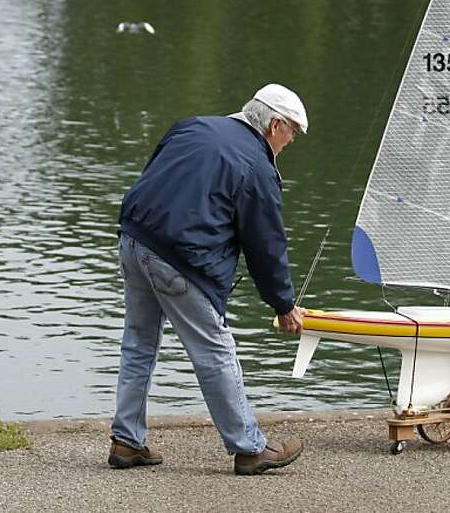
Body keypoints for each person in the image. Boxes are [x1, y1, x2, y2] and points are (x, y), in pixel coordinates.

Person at [109, 83, 309, 476]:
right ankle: (250, 448)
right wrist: (283, 305)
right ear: (274, 125)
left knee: (138, 343)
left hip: (134, 240)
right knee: (216, 352)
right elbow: (266, 245)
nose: (290, 142)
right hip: (182, 260)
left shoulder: (192, 126)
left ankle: (127, 441)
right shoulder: (257, 166)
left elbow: (153, 176)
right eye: (292, 134)